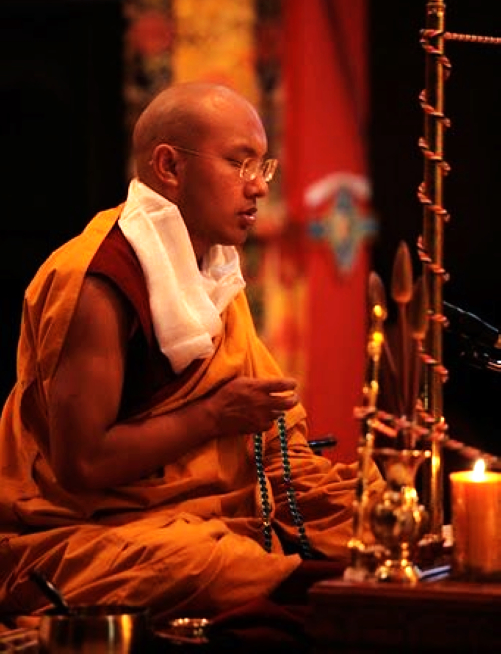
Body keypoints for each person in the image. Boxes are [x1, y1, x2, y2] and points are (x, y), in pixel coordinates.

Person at [0, 81, 383, 636]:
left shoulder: (213, 273)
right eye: (239, 163)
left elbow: (274, 447)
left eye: (263, 167)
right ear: (169, 167)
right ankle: (311, 594)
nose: (259, 187)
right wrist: (212, 416)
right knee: (201, 563)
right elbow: (82, 466)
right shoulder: (97, 281)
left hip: (206, 512)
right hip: (84, 531)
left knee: (372, 515)